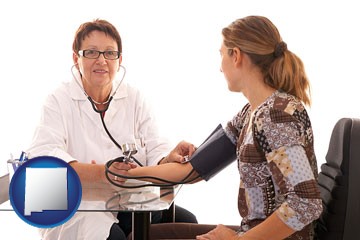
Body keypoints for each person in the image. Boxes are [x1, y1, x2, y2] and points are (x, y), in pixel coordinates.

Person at [126, 15, 323, 240]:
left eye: (221, 54)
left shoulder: (277, 115)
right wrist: (132, 173)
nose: (220, 68)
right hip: (249, 233)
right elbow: (192, 170)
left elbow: (305, 204)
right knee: (144, 235)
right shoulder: (250, 113)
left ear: (236, 56)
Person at [26, 19, 197, 240]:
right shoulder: (58, 100)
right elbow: (43, 156)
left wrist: (167, 159)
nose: (101, 60)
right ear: (75, 58)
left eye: (109, 53)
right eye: (91, 52)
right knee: (111, 235)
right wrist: (101, 173)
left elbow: (156, 146)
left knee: (186, 223)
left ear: (120, 60)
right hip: (79, 207)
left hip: (127, 201)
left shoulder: (134, 98)